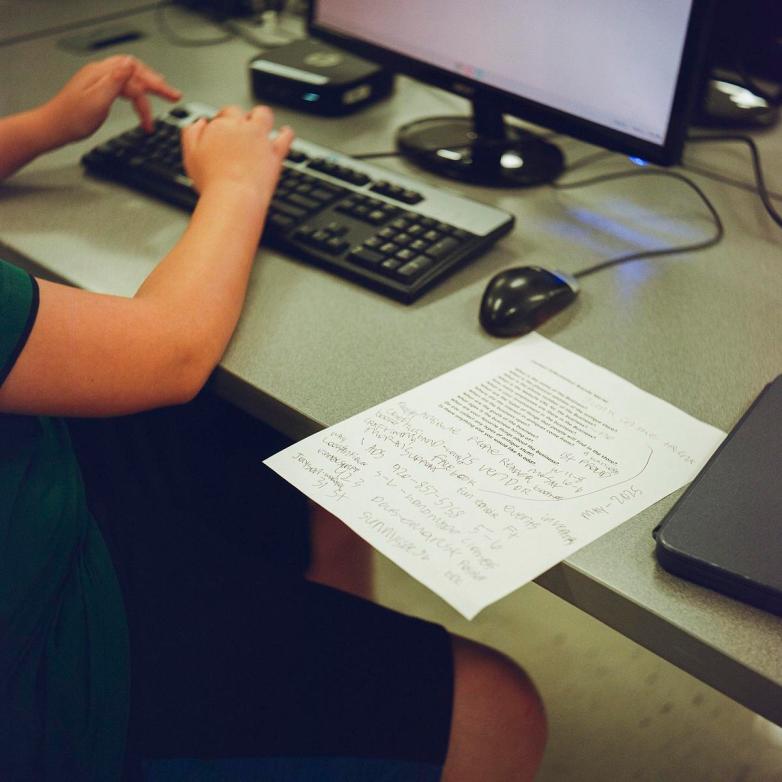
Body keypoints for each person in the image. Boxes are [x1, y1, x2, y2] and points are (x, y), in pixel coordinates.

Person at [0, 55, 547, 781]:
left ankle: (313, 638)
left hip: (41, 482)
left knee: (272, 429)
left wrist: (40, 128)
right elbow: (170, 352)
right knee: (500, 709)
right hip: (49, 665)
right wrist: (237, 180)